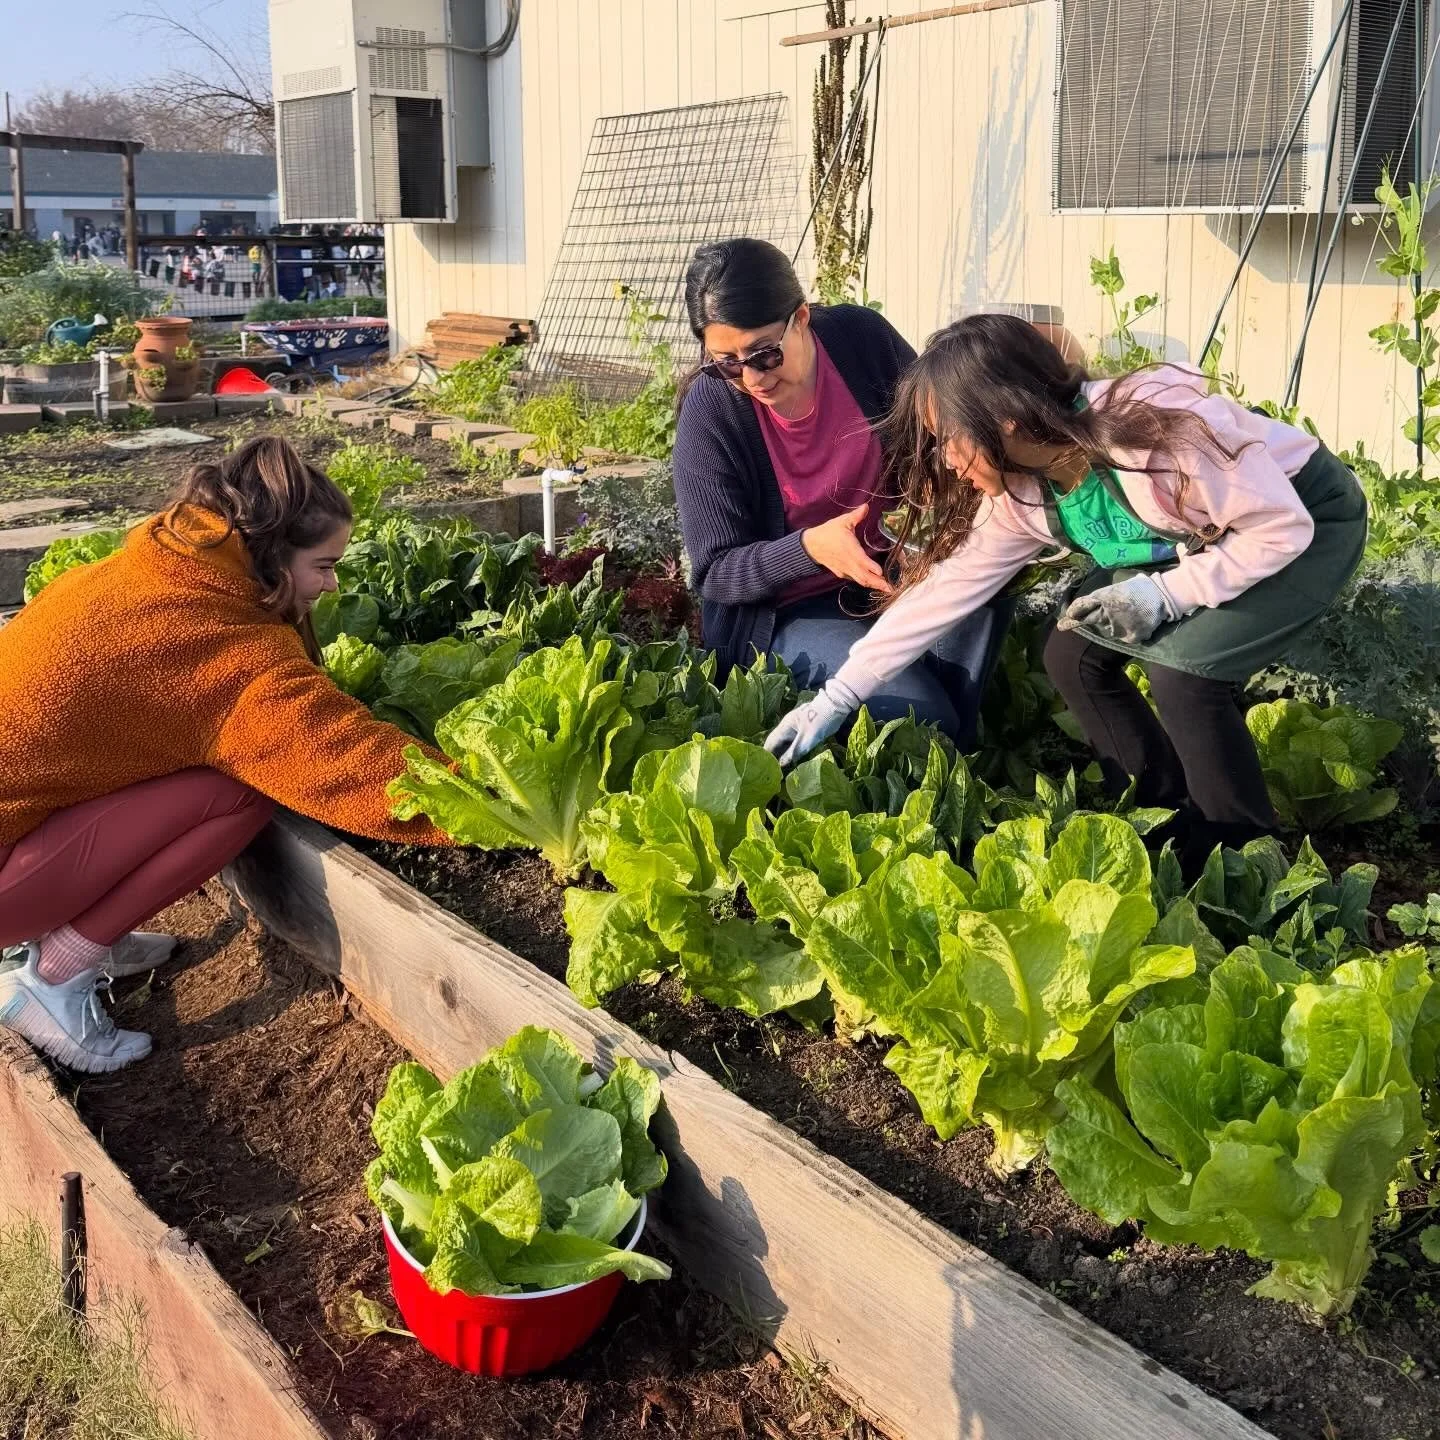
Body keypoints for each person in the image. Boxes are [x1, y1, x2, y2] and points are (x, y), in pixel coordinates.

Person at [765, 313, 1368, 868]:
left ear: (1003, 418)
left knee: (1185, 677)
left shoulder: (1151, 435)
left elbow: (1280, 527)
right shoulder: (1022, 492)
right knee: (1071, 654)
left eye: (949, 437)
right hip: (1201, 540)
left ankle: (1244, 859)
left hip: (1298, 522)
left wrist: (1166, 596)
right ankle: (1163, 816)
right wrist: (835, 699)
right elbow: (939, 595)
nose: (945, 460)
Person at [0, 437, 452, 1074]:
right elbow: (349, 764)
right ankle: (53, 982)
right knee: (240, 793)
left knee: (169, 761)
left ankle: (83, 932)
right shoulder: (223, 646)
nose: (333, 582)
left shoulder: (161, 565)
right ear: (272, 557)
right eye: (323, 566)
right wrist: (485, 802)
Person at [673, 238, 1010, 744]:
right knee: (922, 716)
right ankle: (938, 744)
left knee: (988, 588)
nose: (750, 377)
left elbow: (941, 422)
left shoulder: (860, 340)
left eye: (764, 354)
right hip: (793, 611)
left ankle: (948, 750)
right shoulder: (712, 413)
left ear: (802, 318)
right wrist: (810, 549)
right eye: (725, 362)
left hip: (893, 571)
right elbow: (716, 572)